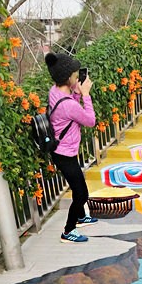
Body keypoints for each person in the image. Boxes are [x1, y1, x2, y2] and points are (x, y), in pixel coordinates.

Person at [45, 51, 97, 243]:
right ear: (68, 78)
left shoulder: (55, 91)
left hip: (62, 150)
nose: (78, 78)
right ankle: (68, 231)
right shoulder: (69, 105)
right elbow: (90, 120)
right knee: (82, 192)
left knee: (78, 186)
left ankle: (81, 217)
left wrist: (75, 94)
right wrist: (86, 95)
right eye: (76, 76)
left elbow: (67, 110)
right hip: (65, 154)